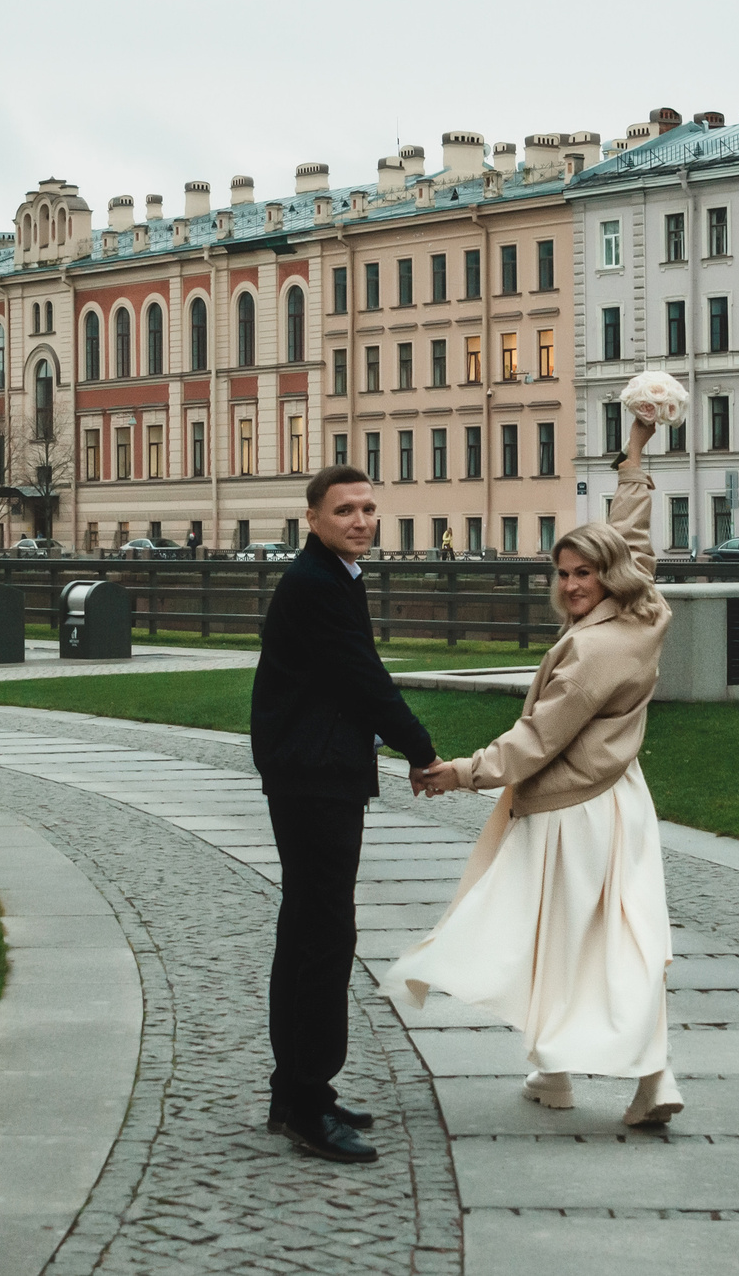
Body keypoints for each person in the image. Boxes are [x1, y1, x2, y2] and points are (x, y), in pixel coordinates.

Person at [385, 414, 683, 1128]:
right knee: (618, 933)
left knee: (567, 935)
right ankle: (571, 1071)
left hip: (569, 809)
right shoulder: (643, 612)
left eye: (584, 573)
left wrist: (458, 772)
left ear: (606, 577)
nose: (572, 584)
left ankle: (631, 1073)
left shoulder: (591, 653)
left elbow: (535, 739)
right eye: (564, 572)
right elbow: (633, 537)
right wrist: (635, 455)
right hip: (619, 797)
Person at [251, 463, 440, 1164]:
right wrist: (421, 750)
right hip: (315, 776)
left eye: (367, 507)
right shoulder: (318, 584)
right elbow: (365, 678)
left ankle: (293, 1088)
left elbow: (350, 676)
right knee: (326, 933)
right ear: (313, 518)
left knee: (304, 926)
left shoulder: (330, 577)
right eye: (344, 510)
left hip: (309, 770)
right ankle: (307, 1100)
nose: (360, 520)